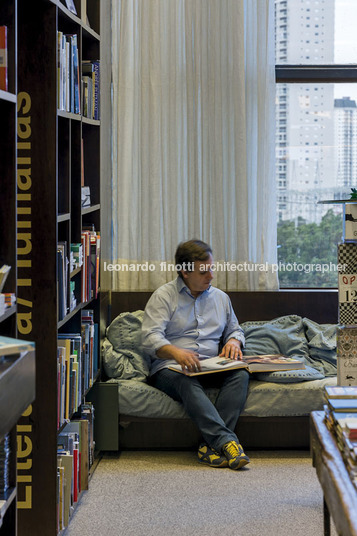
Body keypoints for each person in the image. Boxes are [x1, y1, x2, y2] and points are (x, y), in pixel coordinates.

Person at [141, 239, 250, 470]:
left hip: (211, 364)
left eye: (211, 268)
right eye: (204, 271)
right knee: (186, 381)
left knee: (240, 374)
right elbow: (149, 337)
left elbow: (236, 329)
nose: (211, 276)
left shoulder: (221, 298)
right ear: (185, 271)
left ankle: (210, 446)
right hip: (171, 368)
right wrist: (175, 352)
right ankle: (227, 442)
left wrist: (233, 341)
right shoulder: (163, 296)